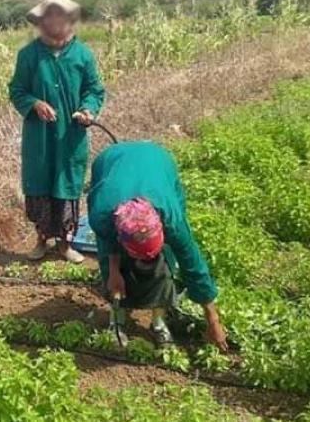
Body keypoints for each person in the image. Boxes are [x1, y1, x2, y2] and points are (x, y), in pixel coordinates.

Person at [87, 141, 228, 351]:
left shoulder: (171, 218)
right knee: (113, 272)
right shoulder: (102, 213)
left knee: (166, 260)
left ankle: (158, 321)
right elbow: (108, 242)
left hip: (158, 161)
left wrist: (213, 320)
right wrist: (115, 272)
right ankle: (116, 319)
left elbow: (192, 263)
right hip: (111, 161)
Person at [9, 0, 106, 264]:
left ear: (68, 19)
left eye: (59, 15)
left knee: (67, 183)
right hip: (39, 138)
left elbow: (94, 89)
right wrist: (34, 104)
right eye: (49, 16)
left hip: (70, 135)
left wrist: (88, 109)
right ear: (41, 21)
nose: (55, 21)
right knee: (40, 185)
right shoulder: (28, 56)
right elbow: (17, 90)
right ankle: (42, 239)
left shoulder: (83, 55)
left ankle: (65, 244)